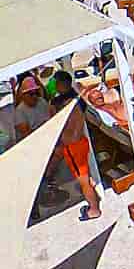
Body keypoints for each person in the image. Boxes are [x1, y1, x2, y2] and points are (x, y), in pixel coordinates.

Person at [48, 91, 102, 221]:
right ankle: (94, 198)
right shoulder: (77, 106)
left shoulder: (68, 109)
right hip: (80, 143)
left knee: (83, 182)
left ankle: (94, 210)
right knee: (87, 179)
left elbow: (67, 134)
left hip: (73, 147)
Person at [12, 76, 49, 142]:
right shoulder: (19, 111)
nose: (34, 96)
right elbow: (26, 135)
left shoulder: (42, 102)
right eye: (31, 94)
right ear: (23, 95)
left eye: (36, 93)